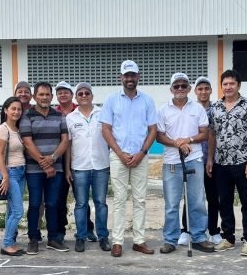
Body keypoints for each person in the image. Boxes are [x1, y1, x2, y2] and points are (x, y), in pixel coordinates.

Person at [100, 60, 157, 257]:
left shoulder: (147, 100)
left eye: (133, 75)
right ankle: (117, 241)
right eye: (126, 75)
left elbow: (153, 129)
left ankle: (139, 241)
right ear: (121, 77)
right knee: (119, 200)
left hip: (141, 156)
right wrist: (119, 153)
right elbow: (105, 129)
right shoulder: (111, 100)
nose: (130, 78)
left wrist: (142, 153)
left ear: (138, 77)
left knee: (140, 200)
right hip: (118, 157)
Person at [156, 73, 214, 254]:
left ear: (189, 88)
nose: (180, 88)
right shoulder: (162, 110)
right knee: (172, 204)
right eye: (176, 86)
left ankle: (199, 237)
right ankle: (170, 240)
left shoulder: (198, 108)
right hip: (171, 162)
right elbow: (159, 136)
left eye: (183, 85)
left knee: (197, 201)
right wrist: (176, 143)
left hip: (194, 159)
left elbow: (205, 133)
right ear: (171, 89)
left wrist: (188, 140)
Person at [206, 70, 247, 256]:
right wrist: (210, 159)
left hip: (243, 162)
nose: (228, 87)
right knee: (225, 202)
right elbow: (212, 135)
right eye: (225, 84)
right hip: (221, 163)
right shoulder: (215, 108)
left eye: (232, 83)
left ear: (239, 85)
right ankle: (228, 238)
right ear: (221, 86)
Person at [19, 81, 69, 254]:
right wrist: (44, 164)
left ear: (51, 96)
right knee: (34, 204)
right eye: (41, 94)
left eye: (47, 94)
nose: (44, 97)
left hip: (56, 168)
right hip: (34, 170)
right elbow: (27, 142)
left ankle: (53, 239)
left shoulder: (59, 115)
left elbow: (65, 141)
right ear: (34, 97)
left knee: (53, 203)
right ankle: (33, 239)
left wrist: (53, 158)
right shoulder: (27, 116)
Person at [65, 82, 111, 253]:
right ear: (76, 98)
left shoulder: (103, 114)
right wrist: (68, 169)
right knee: (81, 204)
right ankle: (81, 237)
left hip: (101, 166)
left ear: (92, 95)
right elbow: (68, 146)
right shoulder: (70, 118)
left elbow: (110, 138)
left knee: (101, 203)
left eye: (87, 93)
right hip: (79, 167)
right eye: (80, 94)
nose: (84, 96)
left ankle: (103, 236)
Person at [0, 97, 27, 256]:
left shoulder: (18, 129)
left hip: (21, 172)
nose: (16, 112)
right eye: (13, 108)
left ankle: (10, 241)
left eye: (19, 109)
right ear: (5, 110)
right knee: (18, 211)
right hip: (10, 173)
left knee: (11, 209)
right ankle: (7, 245)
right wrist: (5, 177)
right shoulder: (3, 129)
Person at [193, 76, 222, 246]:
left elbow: (214, 134)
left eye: (206, 88)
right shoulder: (191, 109)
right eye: (200, 89)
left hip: (213, 160)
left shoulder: (217, 109)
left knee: (213, 197)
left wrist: (210, 158)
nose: (203, 92)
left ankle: (213, 230)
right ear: (195, 91)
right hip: (194, 159)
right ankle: (188, 230)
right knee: (193, 197)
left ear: (211, 90)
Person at [54, 81, 79, 243]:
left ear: (72, 95)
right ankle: (60, 230)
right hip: (59, 161)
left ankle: (86, 228)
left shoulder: (80, 110)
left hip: (80, 160)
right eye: (59, 92)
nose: (63, 95)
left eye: (66, 92)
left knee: (81, 198)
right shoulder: (53, 113)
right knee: (59, 198)